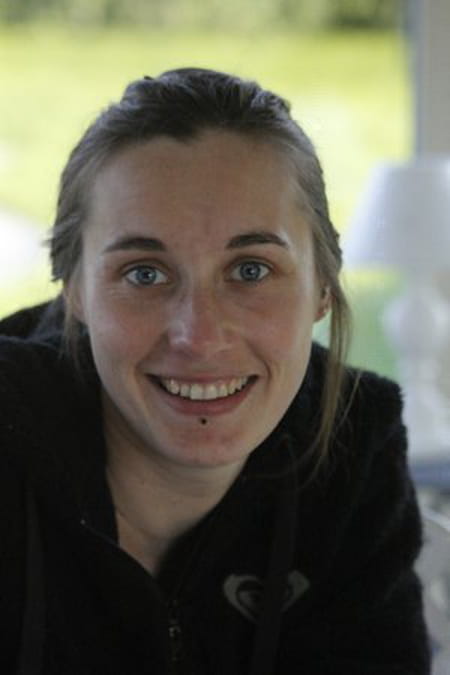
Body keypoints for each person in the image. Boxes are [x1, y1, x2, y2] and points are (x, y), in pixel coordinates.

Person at [0, 68, 430, 675]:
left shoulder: (354, 452)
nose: (199, 337)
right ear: (75, 293)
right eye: (144, 273)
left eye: (251, 270)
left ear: (321, 289)